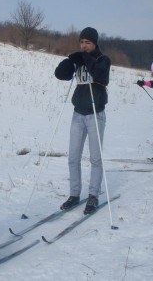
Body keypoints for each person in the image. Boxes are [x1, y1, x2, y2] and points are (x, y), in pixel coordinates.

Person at [54, 27, 111, 214]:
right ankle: (74, 194)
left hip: (95, 114)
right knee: (73, 157)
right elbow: (60, 74)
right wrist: (71, 60)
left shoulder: (103, 60)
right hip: (78, 114)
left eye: (87, 42)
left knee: (95, 158)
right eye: (82, 42)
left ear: (95, 43)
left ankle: (93, 195)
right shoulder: (79, 60)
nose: (84, 45)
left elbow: (101, 76)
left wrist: (86, 58)